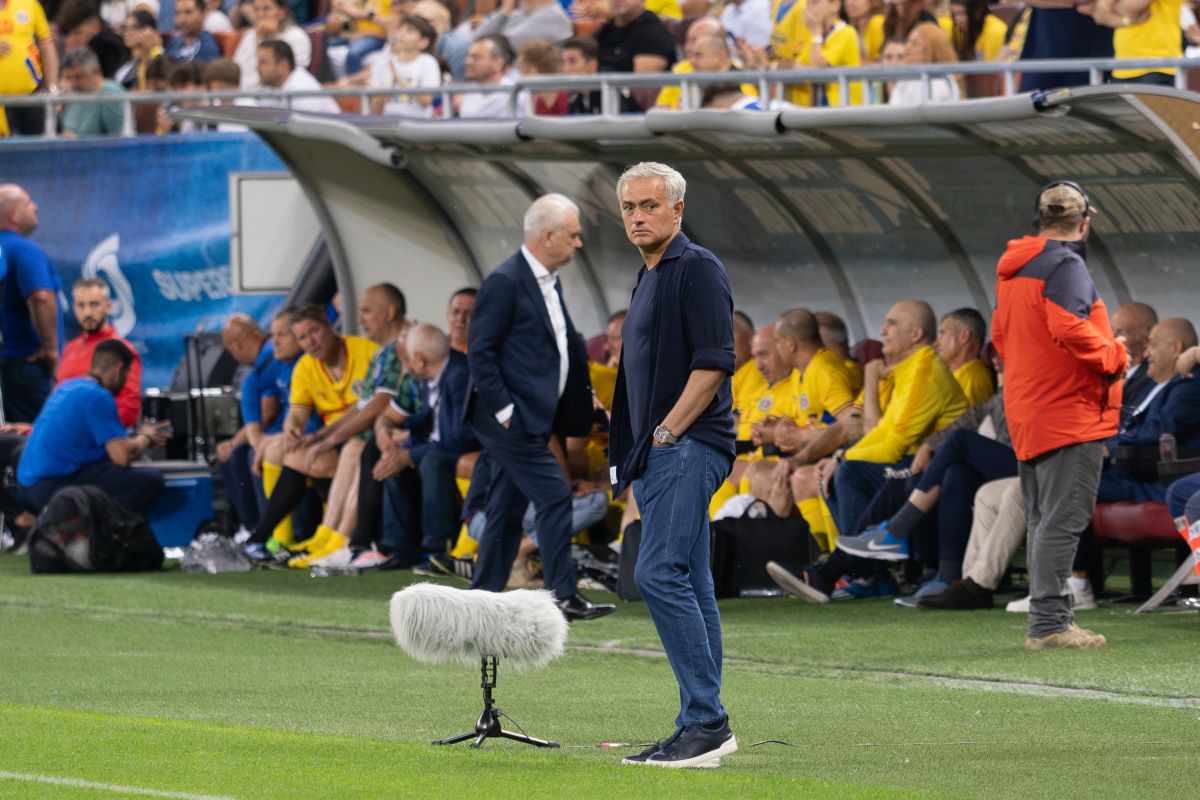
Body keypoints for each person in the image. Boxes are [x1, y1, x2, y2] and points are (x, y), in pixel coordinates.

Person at [608, 162, 736, 769]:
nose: (638, 216)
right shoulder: (650, 274)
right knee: (693, 578)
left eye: (649, 206)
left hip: (686, 446)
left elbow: (714, 363)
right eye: (629, 207)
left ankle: (706, 722)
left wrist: (665, 432)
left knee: (657, 573)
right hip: (659, 454)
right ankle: (703, 721)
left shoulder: (698, 268)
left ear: (678, 209)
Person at [992, 180, 1127, 650]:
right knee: (1061, 519)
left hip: (1029, 408)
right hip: (1068, 412)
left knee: (1042, 516)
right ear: (1084, 223)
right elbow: (1069, 326)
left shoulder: (1014, 268)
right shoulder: (1065, 265)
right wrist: (1114, 356)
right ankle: (1049, 623)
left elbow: (1001, 337)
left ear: (1040, 219)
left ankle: (1050, 618)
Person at [465, 193, 611, 621]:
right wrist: (507, 411)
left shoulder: (549, 279)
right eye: (573, 235)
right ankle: (563, 595)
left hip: (534, 417)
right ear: (548, 237)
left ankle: (483, 596)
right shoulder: (506, 281)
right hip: (509, 422)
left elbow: (558, 347)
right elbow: (481, 353)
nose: (579, 243)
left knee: (507, 511)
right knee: (553, 495)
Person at [243, 304, 378, 560]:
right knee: (292, 453)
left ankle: (323, 538)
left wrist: (317, 439)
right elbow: (296, 413)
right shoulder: (305, 367)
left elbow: (370, 407)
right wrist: (292, 428)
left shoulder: (365, 351)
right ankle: (272, 539)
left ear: (329, 326)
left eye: (314, 331)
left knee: (309, 455)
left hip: (366, 436)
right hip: (334, 439)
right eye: (302, 337)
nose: (310, 341)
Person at [368, 323, 476, 569]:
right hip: (442, 446)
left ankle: (436, 550)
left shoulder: (461, 374)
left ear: (419, 358)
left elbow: (461, 437)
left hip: (470, 449)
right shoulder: (435, 373)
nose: (405, 361)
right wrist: (400, 435)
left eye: (407, 356)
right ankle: (401, 548)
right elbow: (431, 416)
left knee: (430, 461)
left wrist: (410, 454)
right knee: (395, 459)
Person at [18, 340, 168, 514]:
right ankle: (97, 533)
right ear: (119, 369)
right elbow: (122, 456)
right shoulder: (98, 396)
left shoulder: (68, 386)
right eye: (126, 375)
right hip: (52, 488)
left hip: (30, 487)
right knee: (150, 481)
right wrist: (146, 437)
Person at [1096, 318, 1200, 505]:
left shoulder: (1191, 382)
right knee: (1060, 482)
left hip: (1155, 479)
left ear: (1176, 348)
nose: (1146, 353)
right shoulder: (1155, 384)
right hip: (1130, 471)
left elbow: (1162, 429)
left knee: (1073, 489)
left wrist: (1110, 448)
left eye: (1152, 345)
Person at [216, 312, 290, 534]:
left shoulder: (270, 358)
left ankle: (259, 529)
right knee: (241, 453)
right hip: (283, 433)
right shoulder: (264, 364)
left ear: (236, 345)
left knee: (241, 455)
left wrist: (236, 442)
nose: (277, 341)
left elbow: (267, 413)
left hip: (286, 435)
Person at [0, 184, 62, 423]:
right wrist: (50, 348)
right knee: (45, 434)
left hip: (8, 366)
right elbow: (41, 297)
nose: (35, 206)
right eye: (28, 203)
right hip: (27, 362)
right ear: (14, 215)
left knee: (13, 436)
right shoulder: (23, 250)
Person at [57, 278, 141, 427]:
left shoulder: (121, 351)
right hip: (66, 439)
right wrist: (33, 430)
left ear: (108, 306)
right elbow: (56, 405)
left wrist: (79, 428)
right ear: (74, 308)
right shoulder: (70, 349)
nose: (87, 312)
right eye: (81, 305)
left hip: (98, 442)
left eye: (94, 304)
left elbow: (127, 412)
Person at [595, 0, 675, 111]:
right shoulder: (604, 32)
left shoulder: (653, 33)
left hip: (631, 114)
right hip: (599, 106)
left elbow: (642, 92)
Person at [0, 0, 60, 136]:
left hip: (31, 96)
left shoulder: (29, 5)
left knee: (39, 149)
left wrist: (53, 89)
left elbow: (46, 45)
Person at [367, 14, 441, 117]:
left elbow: (427, 99)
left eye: (409, 31)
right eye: (400, 29)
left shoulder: (428, 62)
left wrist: (399, 79)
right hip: (387, 125)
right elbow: (375, 111)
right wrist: (381, 94)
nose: (402, 33)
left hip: (418, 125)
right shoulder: (381, 63)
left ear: (423, 42)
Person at [234, 0, 312, 89]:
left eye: (266, 9)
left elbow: (290, 77)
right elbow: (237, 70)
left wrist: (266, 39)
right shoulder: (249, 35)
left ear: (282, 12)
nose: (260, 15)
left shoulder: (297, 37)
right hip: (241, 94)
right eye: (256, 9)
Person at [256, 39, 340, 113]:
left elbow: (307, 129)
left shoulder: (303, 88)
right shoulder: (269, 88)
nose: (257, 68)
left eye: (263, 62)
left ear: (283, 64)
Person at [888, 21, 960, 105]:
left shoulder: (941, 82)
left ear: (931, 49)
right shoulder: (906, 78)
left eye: (915, 43)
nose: (907, 47)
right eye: (908, 41)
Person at [60, 47, 127, 136]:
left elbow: (117, 141)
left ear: (96, 73)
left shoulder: (110, 94)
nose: (73, 84)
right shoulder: (73, 94)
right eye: (68, 78)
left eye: (78, 77)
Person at [934, 308, 994, 406]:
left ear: (964, 336)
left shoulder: (973, 377)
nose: (937, 343)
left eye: (943, 333)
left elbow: (962, 420)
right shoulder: (959, 374)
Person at [57, 0, 130, 79]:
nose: (71, 40)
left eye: (78, 33)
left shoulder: (110, 47)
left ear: (95, 25)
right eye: (67, 35)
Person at [456, 34, 515, 118]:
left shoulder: (516, 96)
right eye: (468, 56)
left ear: (498, 63)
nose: (468, 62)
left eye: (476, 57)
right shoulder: (469, 93)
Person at [473, 0, 573, 49]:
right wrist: (504, 12)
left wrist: (506, 11)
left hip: (533, 85)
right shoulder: (520, 12)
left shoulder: (552, 17)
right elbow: (476, 39)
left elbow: (500, 49)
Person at [1111, 301, 1158, 406]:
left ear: (1146, 336)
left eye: (1121, 332)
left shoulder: (1154, 377)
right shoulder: (1106, 373)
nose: (1112, 338)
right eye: (1111, 331)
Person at [517, 39, 569, 115]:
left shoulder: (568, 100)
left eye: (522, 69)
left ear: (533, 71)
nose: (520, 75)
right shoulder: (534, 102)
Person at [561, 35, 601, 114]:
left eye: (572, 61)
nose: (565, 69)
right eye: (563, 62)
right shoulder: (573, 99)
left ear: (592, 65)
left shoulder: (611, 96)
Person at [446, 287, 475, 353]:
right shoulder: (435, 349)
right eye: (455, 312)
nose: (460, 319)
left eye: (469, 314)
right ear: (448, 314)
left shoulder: (487, 354)